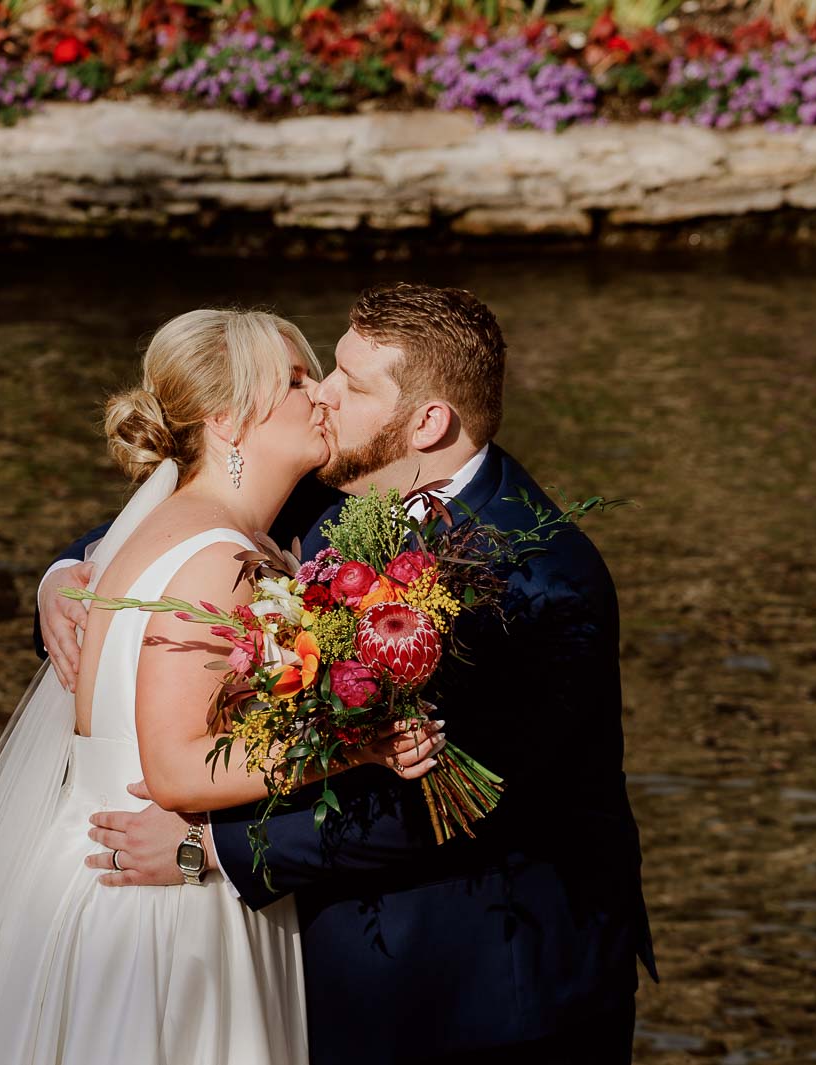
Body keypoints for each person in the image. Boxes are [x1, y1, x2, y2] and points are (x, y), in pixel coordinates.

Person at [40, 284, 657, 1065]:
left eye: (350, 383)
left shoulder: (542, 579)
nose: (323, 396)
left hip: (500, 989)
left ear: (426, 423)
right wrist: (63, 576)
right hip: (343, 973)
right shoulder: (325, 490)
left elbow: (446, 806)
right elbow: (182, 512)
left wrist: (213, 852)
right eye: (326, 369)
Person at [0, 308, 442, 1065]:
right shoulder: (219, 558)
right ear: (227, 419)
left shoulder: (196, 532)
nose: (319, 392)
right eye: (294, 379)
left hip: (123, 878)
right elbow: (174, 768)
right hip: (161, 908)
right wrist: (357, 748)